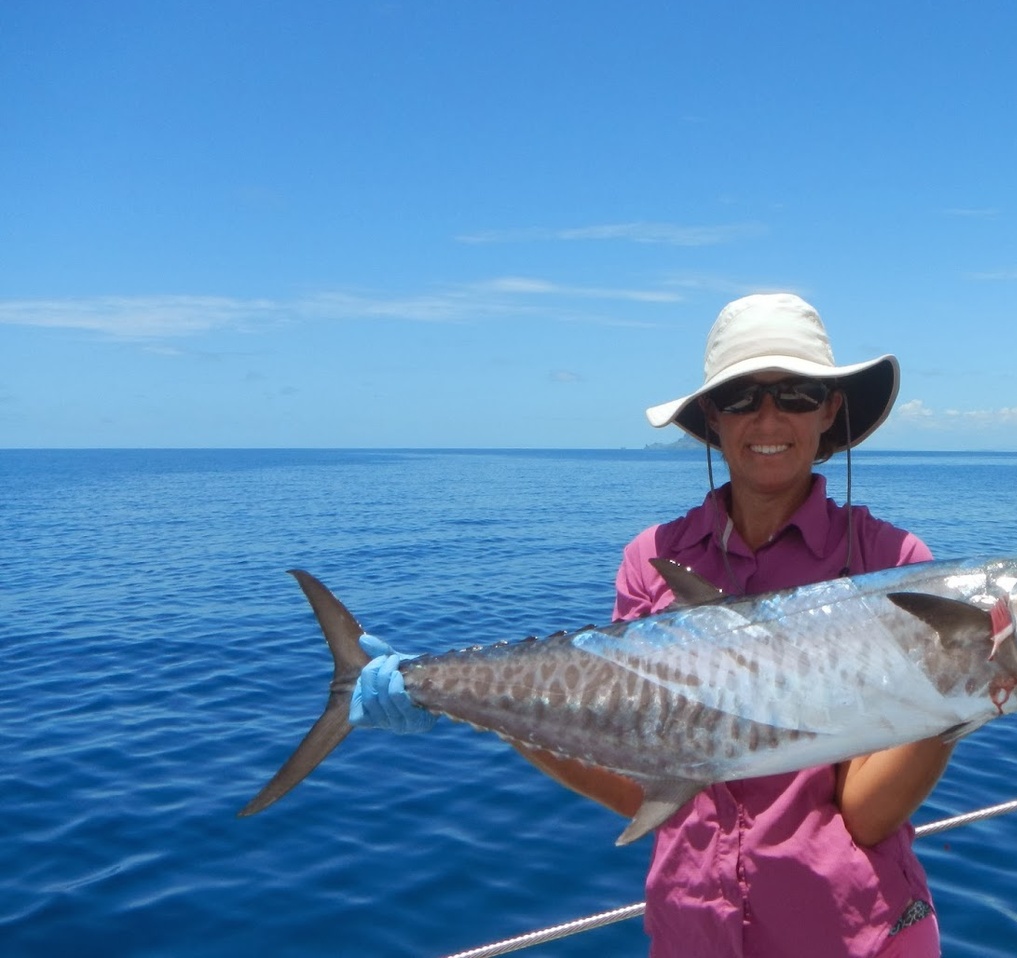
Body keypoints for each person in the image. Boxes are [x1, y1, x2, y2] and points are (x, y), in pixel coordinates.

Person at [354, 293, 949, 957]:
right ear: (711, 417)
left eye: (797, 393)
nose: (769, 418)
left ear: (830, 408)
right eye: (741, 398)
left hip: (853, 932)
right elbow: (640, 781)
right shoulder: (653, 558)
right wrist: (498, 709)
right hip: (693, 930)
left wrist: (957, 699)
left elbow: (864, 815)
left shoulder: (894, 568)